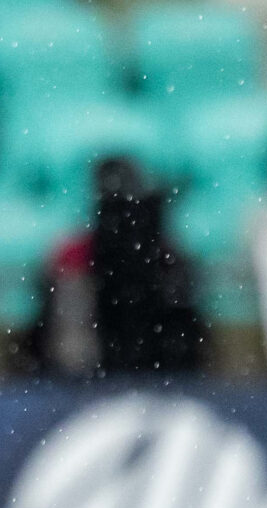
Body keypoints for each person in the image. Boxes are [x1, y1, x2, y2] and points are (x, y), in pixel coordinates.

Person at [27, 155, 211, 377]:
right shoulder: (77, 255)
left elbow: (184, 329)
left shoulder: (165, 254)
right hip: (94, 367)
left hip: (155, 366)